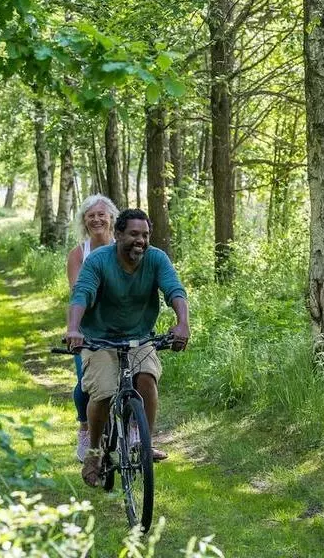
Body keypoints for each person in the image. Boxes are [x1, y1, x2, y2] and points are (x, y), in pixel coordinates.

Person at [66, 208, 190, 487]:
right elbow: (81, 293)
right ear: (118, 234)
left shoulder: (156, 258)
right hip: (99, 338)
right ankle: (94, 453)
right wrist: (73, 329)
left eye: (145, 235)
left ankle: (144, 442)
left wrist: (183, 323)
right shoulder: (99, 260)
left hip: (139, 337)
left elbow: (175, 290)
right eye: (134, 234)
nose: (140, 241)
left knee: (147, 379)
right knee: (104, 392)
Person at [66, 194, 119, 463]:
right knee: (86, 383)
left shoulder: (124, 247)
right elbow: (78, 292)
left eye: (101, 214)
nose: (97, 219)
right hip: (89, 327)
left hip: (122, 324)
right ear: (84, 221)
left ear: (111, 218)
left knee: (135, 376)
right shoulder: (79, 254)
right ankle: (85, 429)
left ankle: (137, 433)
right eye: (91, 216)